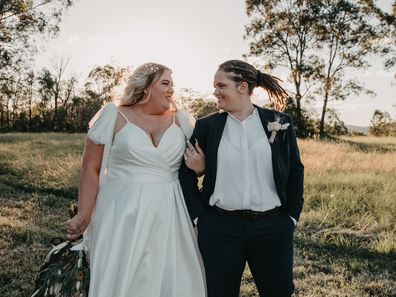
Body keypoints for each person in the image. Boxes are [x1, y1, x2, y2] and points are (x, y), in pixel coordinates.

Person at [66, 63, 207, 297]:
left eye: (173, 84)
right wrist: (84, 213)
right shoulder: (113, 115)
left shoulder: (182, 121)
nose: (172, 89)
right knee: (122, 273)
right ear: (146, 87)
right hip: (121, 210)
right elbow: (91, 168)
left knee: (173, 275)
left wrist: (200, 168)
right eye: (165, 83)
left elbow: (197, 167)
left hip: (170, 209)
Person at [179, 59, 304, 297]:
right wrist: (199, 218)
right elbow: (185, 172)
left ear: (242, 87)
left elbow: (296, 171)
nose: (215, 92)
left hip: (273, 227)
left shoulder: (280, 122)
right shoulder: (207, 126)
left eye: (221, 86)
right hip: (219, 229)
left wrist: (291, 218)